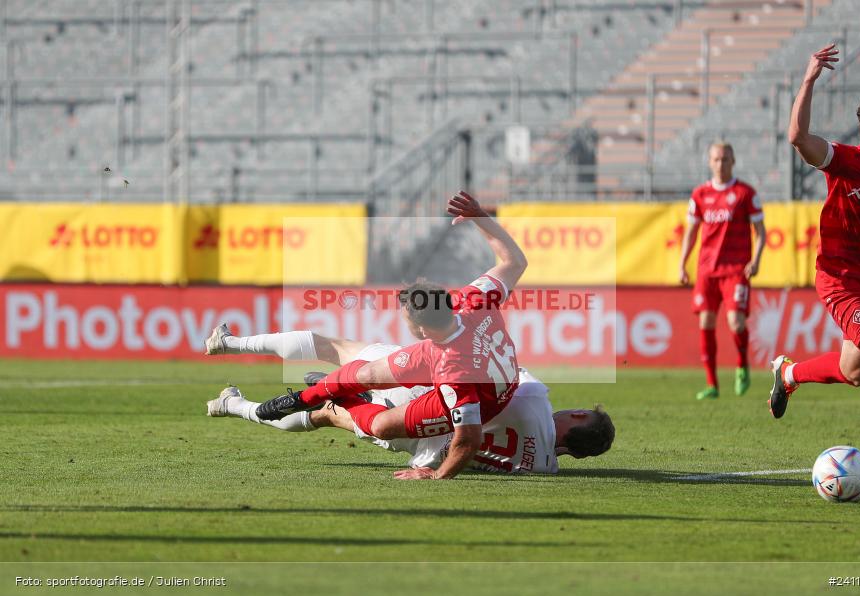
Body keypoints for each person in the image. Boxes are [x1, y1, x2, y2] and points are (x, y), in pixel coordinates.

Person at [206, 190, 528, 480]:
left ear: (421, 329)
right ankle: (252, 400)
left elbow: (468, 438)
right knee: (348, 387)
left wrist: (437, 476)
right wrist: (480, 217)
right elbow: (514, 261)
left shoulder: (451, 369)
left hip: (457, 395)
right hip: (482, 390)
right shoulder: (473, 302)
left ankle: (242, 368)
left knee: (374, 416)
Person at [204, 337, 614, 477]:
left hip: (423, 399)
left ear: (579, 417)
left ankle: (230, 343)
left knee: (335, 347)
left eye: (577, 409)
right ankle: (234, 405)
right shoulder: (544, 467)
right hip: (419, 447)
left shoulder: (536, 397)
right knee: (325, 416)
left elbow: (499, 370)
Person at [768, 44, 860, 426]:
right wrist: (808, 79)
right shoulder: (843, 160)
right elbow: (797, 136)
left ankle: (789, 374)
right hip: (840, 278)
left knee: (856, 372)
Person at [679, 143, 766, 400]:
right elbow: (691, 233)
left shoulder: (745, 193)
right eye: (716, 159)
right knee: (706, 322)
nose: (721, 164)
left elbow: (761, 232)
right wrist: (682, 263)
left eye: (725, 159)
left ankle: (742, 365)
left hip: (736, 270)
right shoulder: (700, 195)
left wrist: (757, 260)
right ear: (710, 162)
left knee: (735, 322)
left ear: (733, 161)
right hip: (707, 270)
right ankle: (712, 384)